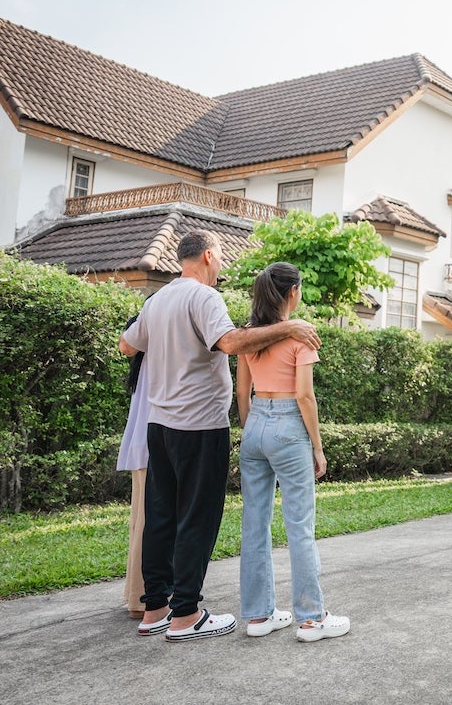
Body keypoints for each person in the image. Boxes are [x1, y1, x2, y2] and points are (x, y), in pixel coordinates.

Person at [119, 230, 320, 643]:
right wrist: (290, 328)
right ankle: (186, 615)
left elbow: (126, 345)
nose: (223, 264)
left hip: (159, 423)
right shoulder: (204, 297)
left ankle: (154, 608)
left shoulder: (157, 299)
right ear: (209, 255)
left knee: (161, 516)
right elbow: (230, 342)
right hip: (198, 424)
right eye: (222, 256)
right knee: (197, 517)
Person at [236, 262, 350, 642]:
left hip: (254, 425)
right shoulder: (301, 336)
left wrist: (256, 429)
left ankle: (258, 616)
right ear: (293, 293)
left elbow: (241, 394)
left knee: (255, 524)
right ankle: (311, 619)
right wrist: (317, 447)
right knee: (299, 525)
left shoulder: (249, 335)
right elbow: (305, 396)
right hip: (288, 425)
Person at [116, 314, 150, 619]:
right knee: (148, 522)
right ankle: (141, 599)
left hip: (145, 447)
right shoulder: (156, 357)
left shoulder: (144, 359)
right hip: (154, 447)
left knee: (142, 520)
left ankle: (136, 595)